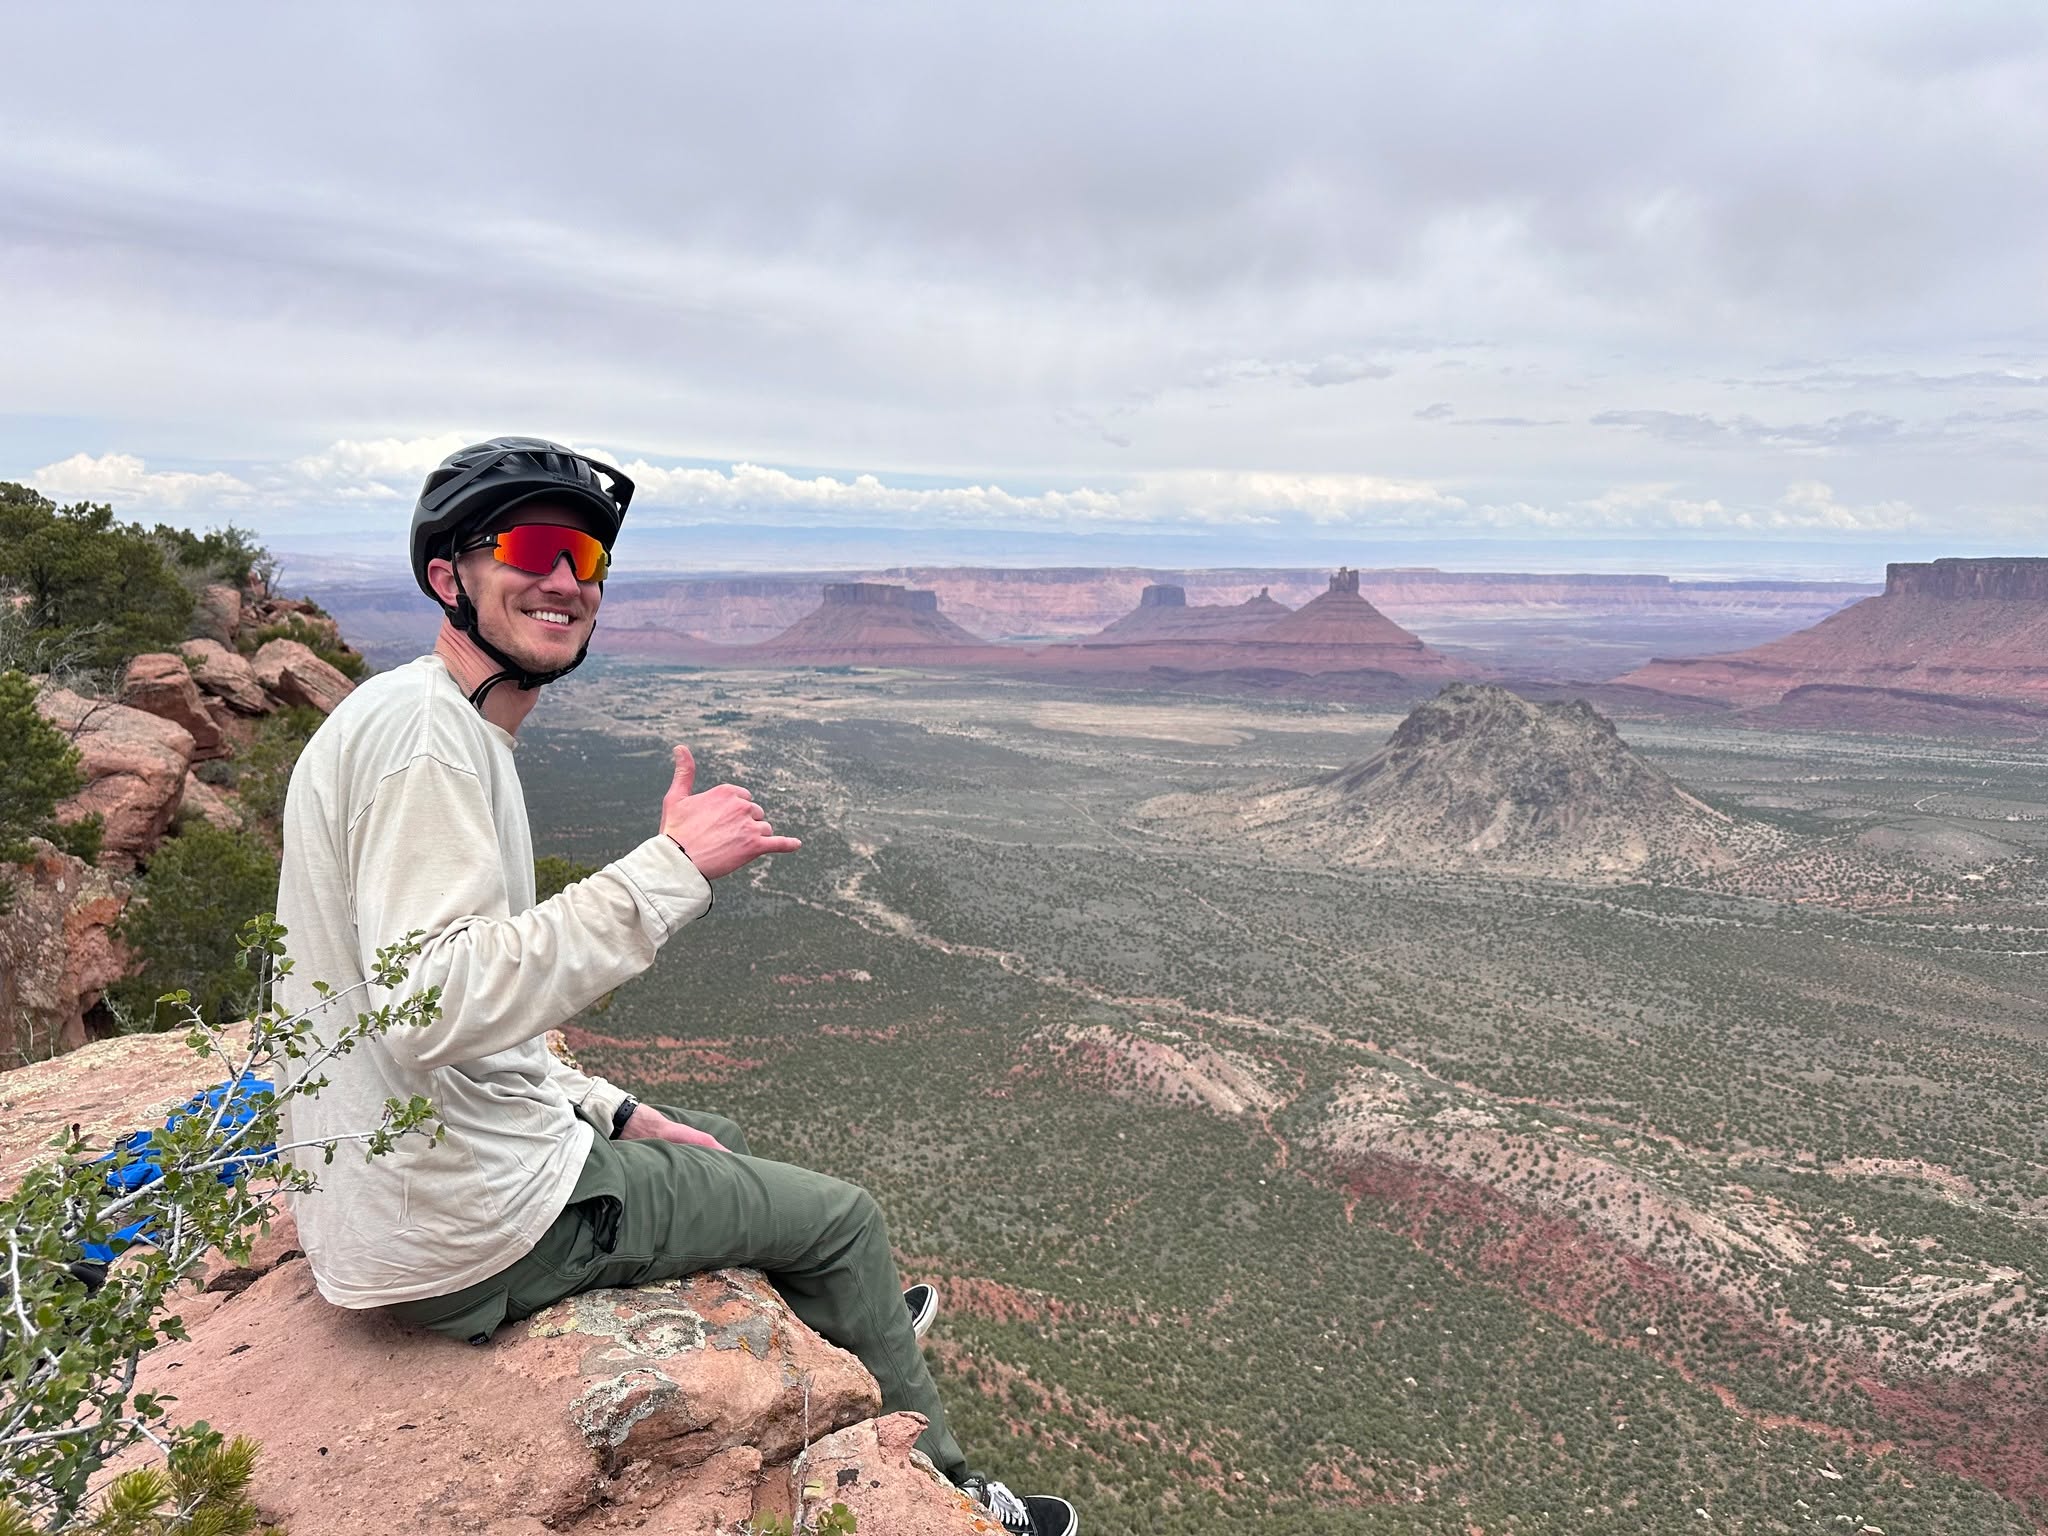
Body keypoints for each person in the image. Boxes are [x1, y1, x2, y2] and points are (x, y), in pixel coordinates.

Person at [273, 437, 1076, 1536]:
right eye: (532, 547)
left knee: (707, 1131)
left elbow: (414, 1013)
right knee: (844, 1221)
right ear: (444, 575)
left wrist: (608, 1106)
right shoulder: (429, 745)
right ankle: (954, 1493)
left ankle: (846, 1326)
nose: (564, 579)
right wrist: (669, 869)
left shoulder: (417, 716)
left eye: (587, 560)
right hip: (468, 1230)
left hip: (416, 1183)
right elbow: (439, 1005)